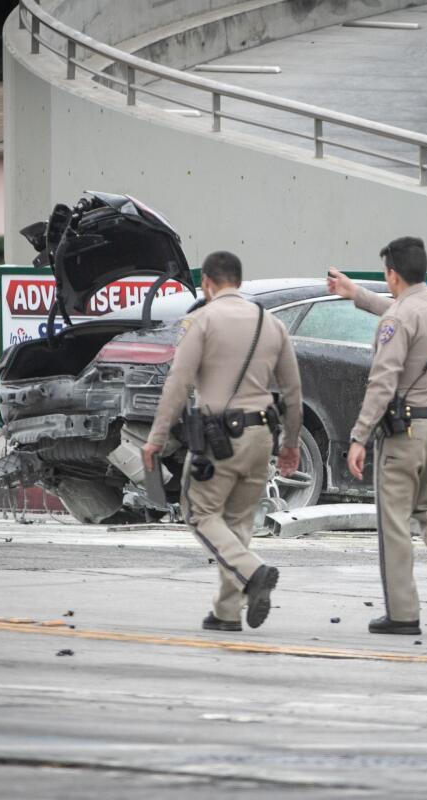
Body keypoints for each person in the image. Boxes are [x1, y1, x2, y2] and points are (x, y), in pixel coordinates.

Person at [143, 251, 302, 632]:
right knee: (238, 522)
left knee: (198, 513)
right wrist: (290, 442)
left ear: (208, 285)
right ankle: (227, 612)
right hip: (262, 434)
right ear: (240, 282)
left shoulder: (201, 320)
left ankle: (253, 572)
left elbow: (178, 383)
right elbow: (293, 390)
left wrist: (156, 439)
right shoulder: (271, 322)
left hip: (219, 439)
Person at [327, 236, 427, 635]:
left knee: (394, 523)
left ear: (392, 275)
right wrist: (356, 294)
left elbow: (382, 381)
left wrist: (359, 436)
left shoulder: (397, 319)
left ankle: (403, 613)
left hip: (404, 434)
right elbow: (402, 312)